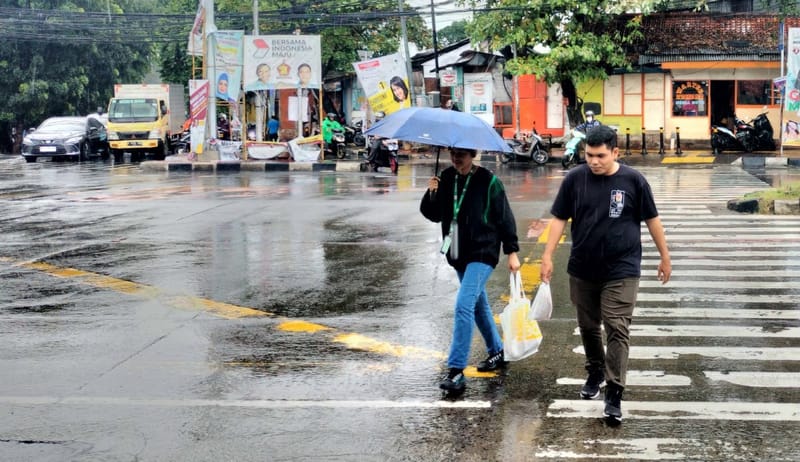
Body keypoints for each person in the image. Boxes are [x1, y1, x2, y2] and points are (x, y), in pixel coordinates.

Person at [539, 125, 671, 425]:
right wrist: (547, 256)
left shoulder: (633, 180)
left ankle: (614, 390)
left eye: (600, 156)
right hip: (583, 267)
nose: (594, 161)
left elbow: (652, 219)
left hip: (622, 268)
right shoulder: (574, 179)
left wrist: (665, 256)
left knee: (616, 327)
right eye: (589, 155)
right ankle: (596, 370)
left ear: (615, 152)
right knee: (588, 326)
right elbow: (559, 218)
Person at [420, 148, 521, 393]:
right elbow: (432, 215)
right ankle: (497, 351)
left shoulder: (489, 181)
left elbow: (504, 217)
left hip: (483, 251)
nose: (457, 158)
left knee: (464, 305)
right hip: (457, 251)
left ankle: (456, 371)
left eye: (462, 154)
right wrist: (430, 192)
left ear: (473, 154)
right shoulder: (445, 178)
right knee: (477, 304)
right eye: (454, 153)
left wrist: (512, 251)